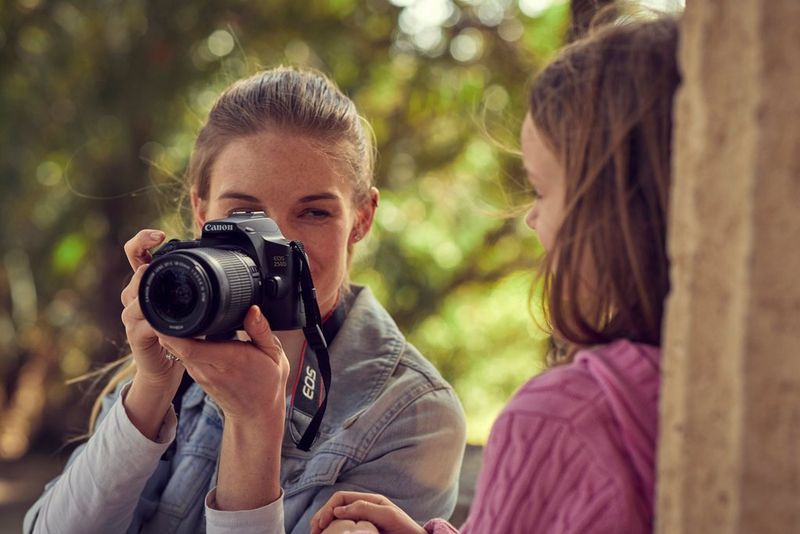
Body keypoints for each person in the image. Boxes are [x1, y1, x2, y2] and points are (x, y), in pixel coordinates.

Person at [24, 66, 466, 534]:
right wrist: (153, 388)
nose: (276, 244)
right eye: (244, 214)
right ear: (201, 212)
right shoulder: (179, 347)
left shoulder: (413, 415)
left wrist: (254, 425)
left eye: (314, 212)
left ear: (361, 218)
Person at [312, 15, 680, 534]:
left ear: (615, 213)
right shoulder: (707, 381)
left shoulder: (559, 422)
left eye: (541, 191)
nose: (531, 219)